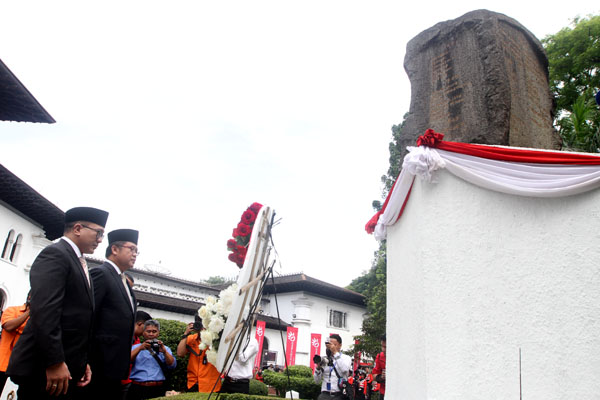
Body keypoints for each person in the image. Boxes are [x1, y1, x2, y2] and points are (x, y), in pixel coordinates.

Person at [7, 206, 109, 400]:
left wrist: (81, 361)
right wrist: (54, 361)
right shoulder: (56, 255)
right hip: (44, 368)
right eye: (98, 233)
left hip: (65, 366)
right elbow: (45, 312)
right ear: (78, 228)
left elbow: (76, 319)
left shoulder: (77, 260)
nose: (100, 240)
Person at [88, 229, 139, 400]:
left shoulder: (123, 280)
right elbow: (88, 317)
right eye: (131, 249)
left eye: (136, 251)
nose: (135, 254)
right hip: (98, 362)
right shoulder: (101, 274)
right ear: (114, 249)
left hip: (115, 366)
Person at [129, 320, 176, 400]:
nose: (151, 334)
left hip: (157, 388)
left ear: (158, 333)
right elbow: (127, 361)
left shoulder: (165, 348)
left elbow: (172, 365)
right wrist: (140, 348)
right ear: (143, 333)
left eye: (154, 331)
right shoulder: (135, 347)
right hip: (137, 387)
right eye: (148, 331)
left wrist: (164, 351)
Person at [176, 315, 221, 393]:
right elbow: (180, 353)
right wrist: (186, 333)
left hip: (211, 385)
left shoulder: (216, 340)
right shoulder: (191, 338)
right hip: (193, 383)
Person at [0, 292, 31, 393]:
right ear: (30, 297)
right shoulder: (12, 310)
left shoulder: (38, 318)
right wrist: (29, 312)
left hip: (21, 365)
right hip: (3, 362)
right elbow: (8, 326)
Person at [121, 311, 152, 400]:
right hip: (121, 380)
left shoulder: (137, 339)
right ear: (140, 324)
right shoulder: (124, 337)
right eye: (146, 328)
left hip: (130, 380)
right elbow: (123, 360)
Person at [313, 334, 353, 399]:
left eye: (334, 345)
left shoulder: (346, 358)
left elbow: (345, 369)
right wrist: (318, 368)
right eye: (330, 345)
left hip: (339, 394)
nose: (331, 347)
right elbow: (316, 381)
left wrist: (335, 353)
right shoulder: (324, 359)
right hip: (324, 394)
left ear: (340, 345)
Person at [372, 335, 386, 400]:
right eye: (382, 346)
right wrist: (381, 377)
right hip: (383, 393)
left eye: (385, 347)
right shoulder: (380, 356)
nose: (383, 349)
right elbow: (374, 376)